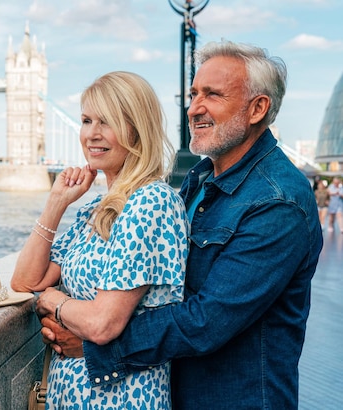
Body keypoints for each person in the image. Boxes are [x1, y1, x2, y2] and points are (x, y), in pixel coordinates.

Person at [40, 41, 323, 409]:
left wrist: (98, 344)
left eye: (212, 95)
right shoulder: (199, 181)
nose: (195, 108)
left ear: (257, 108)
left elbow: (208, 320)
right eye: (193, 94)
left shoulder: (278, 201)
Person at [11, 71, 189, 409]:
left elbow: (102, 324)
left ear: (137, 129)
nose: (92, 134)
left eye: (107, 122)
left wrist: (53, 301)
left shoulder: (151, 202)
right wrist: (56, 203)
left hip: (120, 397)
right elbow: (25, 281)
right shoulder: (96, 208)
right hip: (76, 394)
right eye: (86, 120)